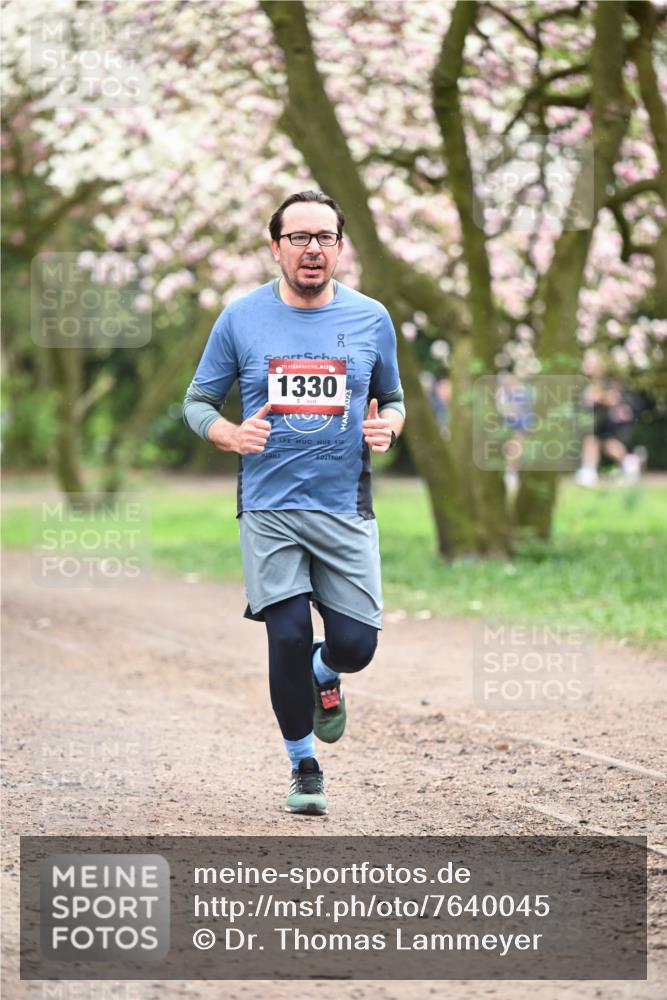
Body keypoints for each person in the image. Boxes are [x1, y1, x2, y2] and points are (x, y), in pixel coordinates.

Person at [182, 190, 405, 815]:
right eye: (300, 238)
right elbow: (196, 402)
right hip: (269, 505)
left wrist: (390, 424)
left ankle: (327, 673)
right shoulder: (240, 318)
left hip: (343, 505)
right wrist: (227, 432)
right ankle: (304, 765)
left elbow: (394, 397)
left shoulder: (371, 319)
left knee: (357, 646)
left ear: (340, 246)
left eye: (325, 238)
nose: (313, 249)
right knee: (284, 633)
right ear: (276, 246)